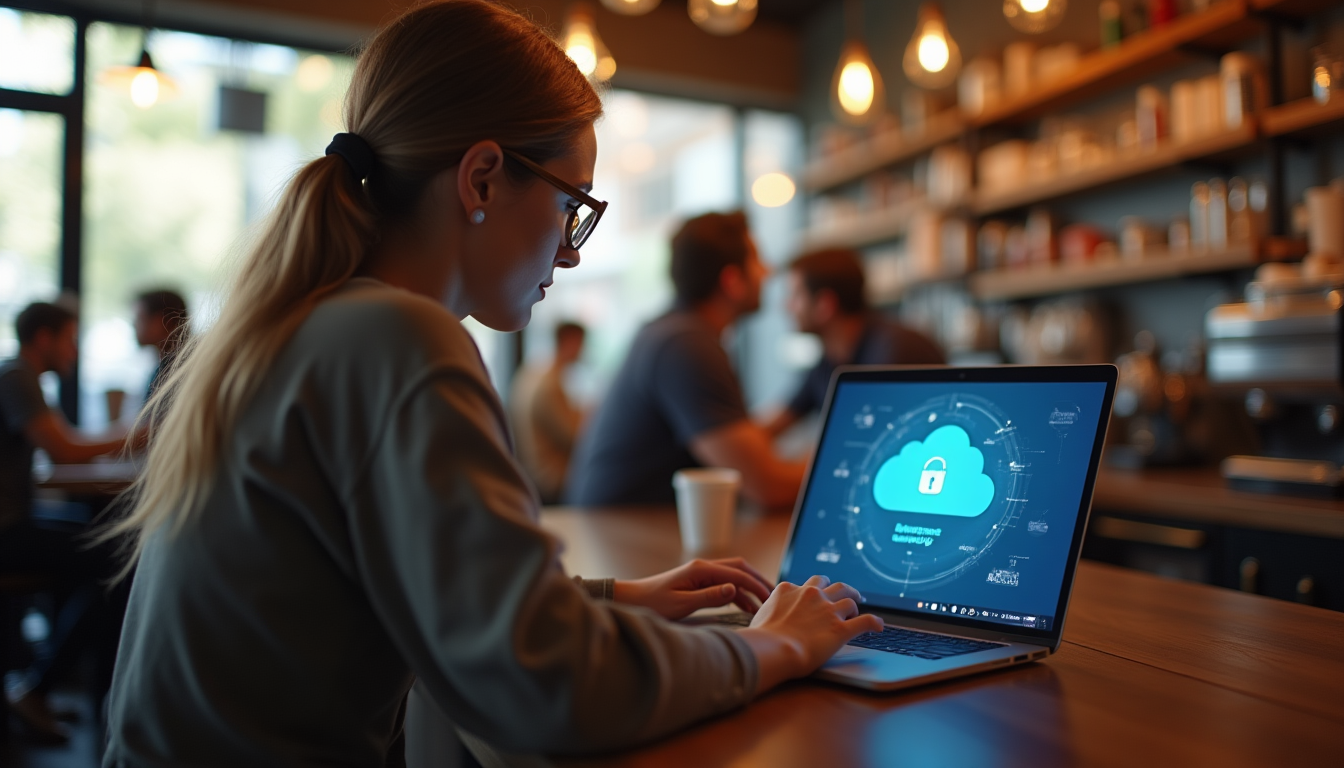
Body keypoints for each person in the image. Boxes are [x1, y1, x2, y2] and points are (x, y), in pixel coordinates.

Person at [99, 3, 880, 765]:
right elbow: (549, 686)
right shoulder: (401, 338)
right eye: (571, 205)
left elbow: (438, 601)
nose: (571, 254)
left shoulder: (306, 320)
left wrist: (611, 600)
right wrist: (775, 645)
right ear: (480, 179)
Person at [565, 212, 805, 508]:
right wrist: (838, 466)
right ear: (732, 281)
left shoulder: (672, 332)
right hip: (627, 540)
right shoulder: (686, 344)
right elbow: (766, 486)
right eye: (757, 261)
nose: (767, 272)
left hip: (626, 533)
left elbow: (742, 445)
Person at [0, 301, 126, 744]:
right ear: (44, 339)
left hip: (15, 523)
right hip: (5, 532)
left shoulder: (21, 376)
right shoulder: (16, 375)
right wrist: (143, 432)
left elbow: (64, 447)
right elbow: (65, 451)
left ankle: (41, 685)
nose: (74, 352)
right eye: (71, 340)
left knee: (110, 546)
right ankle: (40, 688)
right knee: (120, 557)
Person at [763, 248, 946, 439]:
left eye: (795, 296)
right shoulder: (828, 360)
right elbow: (782, 417)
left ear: (825, 305)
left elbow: (865, 442)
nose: (786, 306)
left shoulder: (895, 349)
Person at [508, 321, 586, 503]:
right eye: (582, 343)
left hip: (530, 472)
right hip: (551, 480)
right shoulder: (550, 386)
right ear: (571, 341)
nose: (583, 351)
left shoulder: (531, 372)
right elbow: (573, 438)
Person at [132, 289, 188, 402]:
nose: (133, 325)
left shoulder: (175, 372)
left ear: (162, 322)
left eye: (140, 318)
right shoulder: (168, 366)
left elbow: (155, 419)